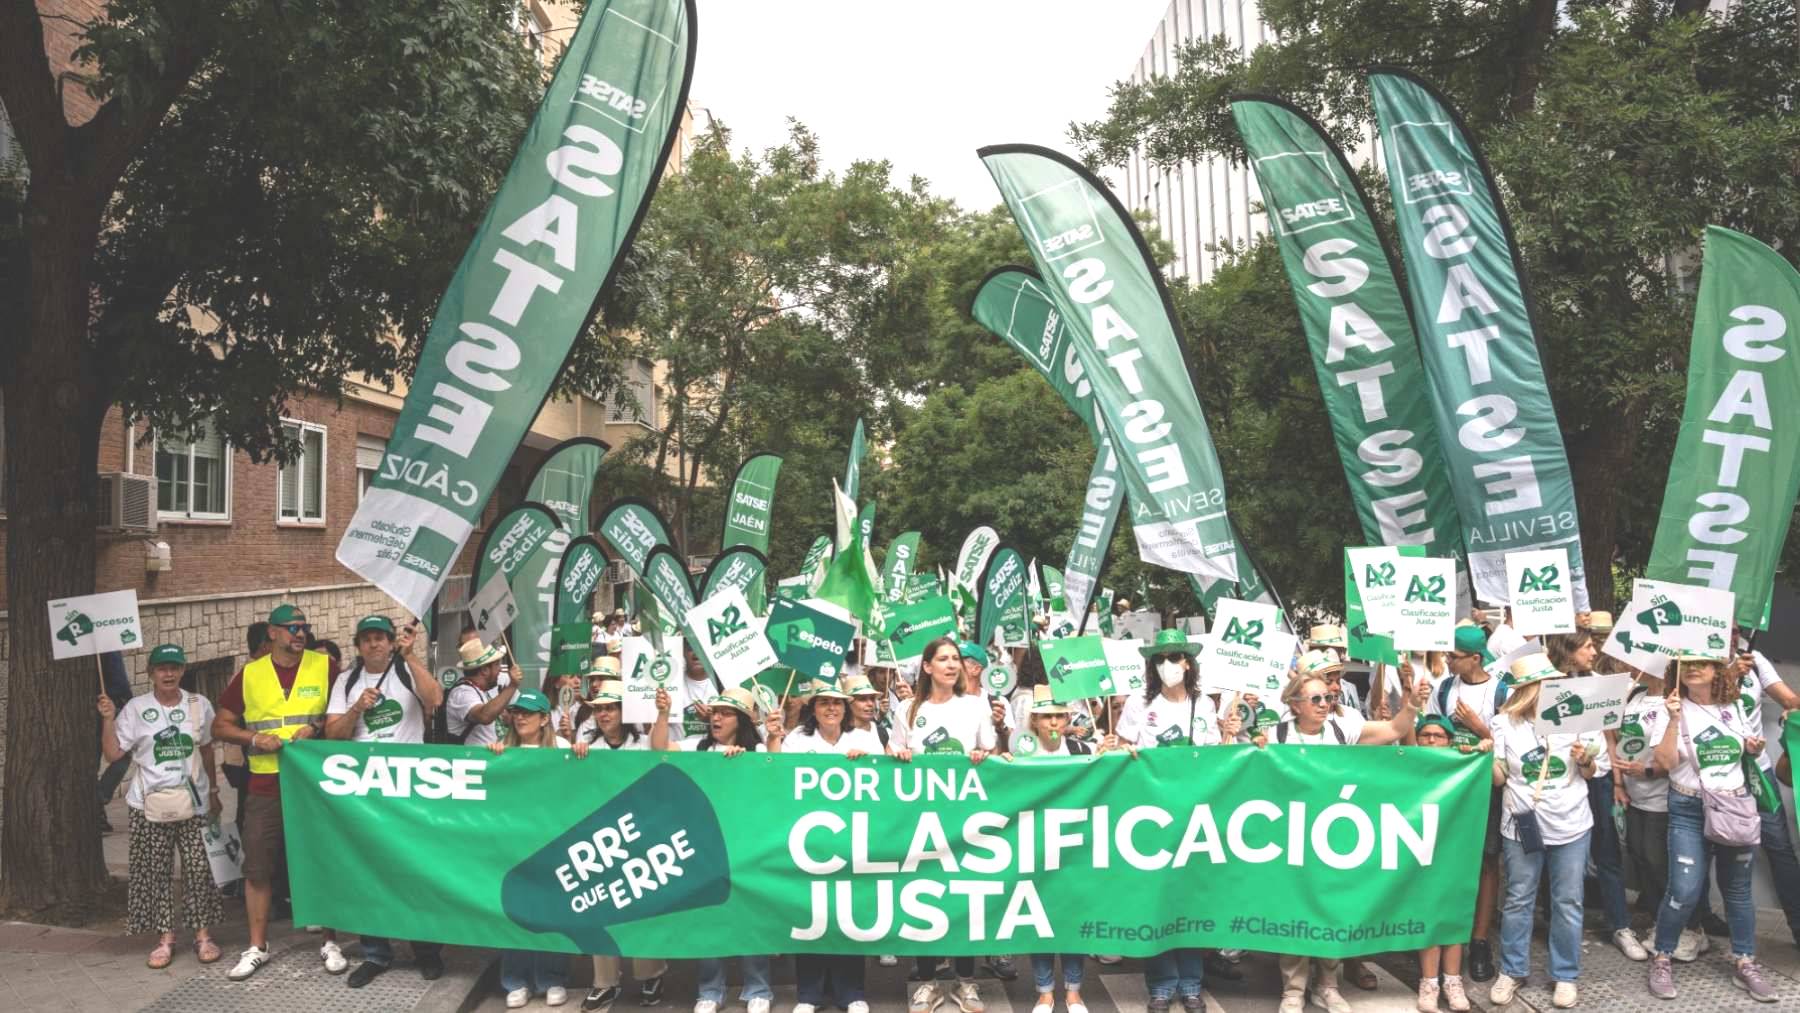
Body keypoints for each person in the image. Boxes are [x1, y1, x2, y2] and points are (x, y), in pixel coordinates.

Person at [1260, 667, 1425, 1013]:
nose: (1325, 704)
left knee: (1332, 908)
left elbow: (1396, 729)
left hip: (1333, 837)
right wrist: (1246, 745)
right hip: (1291, 837)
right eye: (1317, 699)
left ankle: (1328, 985)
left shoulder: (1342, 727)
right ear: (1295, 704)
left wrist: (1412, 704)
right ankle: (1293, 988)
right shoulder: (1274, 735)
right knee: (1295, 910)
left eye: (1329, 698)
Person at [211, 604, 341, 981]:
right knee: (258, 867)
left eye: (304, 627)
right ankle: (257, 947)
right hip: (265, 784)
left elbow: (342, 713)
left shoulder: (324, 666)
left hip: (314, 784)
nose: (299, 634)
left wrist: (316, 726)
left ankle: (329, 941)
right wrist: (253, 737)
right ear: (272, 632)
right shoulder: (250, 674)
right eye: (291, 628)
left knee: (320, 862)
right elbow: (220, 725)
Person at [1117, 629, 1240, 1011]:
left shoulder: (1204, 704)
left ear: (1188, 663)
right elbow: (1122, 746)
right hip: (1153, 814)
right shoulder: (1139, 703)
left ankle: (1191, 983)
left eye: (1175, 657)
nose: (1168, 665)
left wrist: (1229, 737)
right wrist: (1123, 751)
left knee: (1192, 900)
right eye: (1161, 658)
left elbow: (1215, 761)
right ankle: (1160, 983)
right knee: (1158, 899)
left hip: (1196, 814)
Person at [1645, 655, 1777, 1002]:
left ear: (1718, 670)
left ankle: (1745, 962)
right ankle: (1662, 956)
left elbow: (1746, 749)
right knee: (1684, 890)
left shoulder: (1733, 706)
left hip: (1734, 807)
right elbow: (1665, 763)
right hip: (1688, 807)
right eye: (1686, 663)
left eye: (1703, 663)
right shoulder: (1669, 708)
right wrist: (1673, 720)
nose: (1693, 668)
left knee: (1738, 892)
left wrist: (1753, 747)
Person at [325, 615, 447, 987]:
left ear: (392, 642)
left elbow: (436, 699)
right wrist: (356, 708)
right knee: (370, 873)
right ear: (358, 645)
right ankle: (376, 953)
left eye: (381, 638)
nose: (375, 644)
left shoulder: (406, 671)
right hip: (368, 794)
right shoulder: (347, 681)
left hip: (411, 789)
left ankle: (426, 950)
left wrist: (410, 658)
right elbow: (332, 735)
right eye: (368, 639)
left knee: (416, 870)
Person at [652, 685, 779, 1013]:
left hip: (749, 847)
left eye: (725, 713)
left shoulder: (758, 749)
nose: (716, 718)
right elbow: (659, 748)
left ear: (742, 721)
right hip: (704, 848)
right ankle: (710, 990)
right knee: (710, 918)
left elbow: (778, 777)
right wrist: (663, 714)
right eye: (715, 712)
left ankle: (758, 989)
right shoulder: (698, 746)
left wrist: (756, 754)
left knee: (750, 916)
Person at [97, 643, 224, 969]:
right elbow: (114, 755)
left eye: (175, 667)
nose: (169, 673)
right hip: (148, 805)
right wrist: (108, 719)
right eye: (162, 668)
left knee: (198, 871)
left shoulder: (200, 705)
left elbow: (207, 750)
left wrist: (213, 792)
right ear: (151, 673)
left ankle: (203, 936)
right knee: (157, 873)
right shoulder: (136, 709)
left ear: (183, 670)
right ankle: (165, 939)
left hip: (193, 802)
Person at [892, 636, 996, 1013]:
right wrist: (898, 754)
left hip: (965, 819)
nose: (952, 665)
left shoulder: (975, 706)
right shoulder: (907, 708)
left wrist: (984, 756)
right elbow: (894, 754)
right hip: (921, 819)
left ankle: (966, 982)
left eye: (956, 659)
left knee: (965, 898)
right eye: (943, 659)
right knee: (924, 897)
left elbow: (993, 752)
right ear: (927, 667)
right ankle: (928, 981)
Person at [1488, 652, 1593, 1010]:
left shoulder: (1575, 716)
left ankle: (1564, 975)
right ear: (1531, 690)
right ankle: (1512, 970)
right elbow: (1500, 779)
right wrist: (1488, 759)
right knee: (1519, 898)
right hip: (1522, 824)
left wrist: (1586, 760)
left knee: (1568, 901)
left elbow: (1593, 773)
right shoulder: (1503, 723)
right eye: (1548, 684)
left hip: (1572, 823)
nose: (1555, 688)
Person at [1011, 684, 1115, 1013]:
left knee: (1073, 919)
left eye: (1059, 716)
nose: (1054, 723)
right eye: (1046, 717)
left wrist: (1109, 755)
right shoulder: (1023, 751)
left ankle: (1073, 991)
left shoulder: (1080, 747)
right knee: (1039, 920)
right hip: (1036, 846)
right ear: (1035, 722)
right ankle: (1044, 991)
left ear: (1068, 718)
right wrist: (1003, 762)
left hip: (1074, 847)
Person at [566, 679, 666, 1011]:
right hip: (600, 840)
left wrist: (662, 715)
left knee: (641, 910)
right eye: (599, 709)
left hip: (638, 836)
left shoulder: (643, 742)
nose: (604, 714)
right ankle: (605, 983)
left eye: (610, 707)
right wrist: (572, 751)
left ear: (624, 711)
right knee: (600, 909)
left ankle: (651, 974)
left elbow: (662, 754)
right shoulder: (588, 746)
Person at [1544, 630, 1642, 962]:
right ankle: (1553, 923)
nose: (1594, 650)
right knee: (1553, 852)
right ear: (1568, 652)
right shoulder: (1546, 684)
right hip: (1559, 779)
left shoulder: (1601, 683)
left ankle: (1620, 925)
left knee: (1607, 852)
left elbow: (1610, 735)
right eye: (1587, 646)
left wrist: (1616, 782)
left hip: (1596, 778)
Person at [488, 688, 588, 1007]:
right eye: (516, 712)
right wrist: (490, 758)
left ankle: (552, 978)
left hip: (551, 843)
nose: (519, 717)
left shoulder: (562, 748)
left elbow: (581, 786)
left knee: (551, 911)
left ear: (545, 719)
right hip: (514, 844)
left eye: (527, 713)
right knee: (514, 910)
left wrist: (582, 753)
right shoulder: (502, 749)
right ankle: (515, 980)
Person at [783, 680, 878, 1013]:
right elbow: (780, 782)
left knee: (850, 919)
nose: (831, 709)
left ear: (845, 707)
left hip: (853, 842)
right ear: (813, 708)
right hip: (808, 843)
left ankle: (851, 993)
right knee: (812, 918)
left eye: (837, 703)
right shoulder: (795, 740)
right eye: (824, 703)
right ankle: (808, 995)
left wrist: (867, 762)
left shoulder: (865, 738)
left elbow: (885, 782)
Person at [1425, 623, 1507, 981]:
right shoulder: (1443, 688)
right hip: (1448, 790)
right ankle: (1443, 933)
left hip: (1486, 790)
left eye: (1454, 656)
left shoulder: (1503, 692)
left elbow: (1512, 747)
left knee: (1487, 863)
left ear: (1475, 658)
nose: (1447, 660)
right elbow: (1428, 729)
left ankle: (1478, 940)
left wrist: (1479, 728)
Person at [1413, 714, 1474, 1012]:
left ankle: (1452, 980)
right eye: (1425, 735)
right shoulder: (1405, 766)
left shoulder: (1463, 766)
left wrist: (1483, 748)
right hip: (1418, 853)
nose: (1432, 741)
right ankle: (1428, 983)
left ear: (1450, 740)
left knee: (1453, 913)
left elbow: (1498, 777)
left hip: (1454, 851)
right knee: (1428, 914)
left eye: (1438, 735)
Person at [1614, 664, 1671, 934]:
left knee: (1655, 859)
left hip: (1661, 795)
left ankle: (1672, 924)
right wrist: (1619, 782)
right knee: (1638, 854)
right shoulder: (1634, 694)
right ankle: (1653, 915)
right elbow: (1615, 736)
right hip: (1633, 792)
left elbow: (1674, 754)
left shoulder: (1671, 700)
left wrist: (1647, 770)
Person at [445, 637, 518, 746]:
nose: (500, 669)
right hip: (472, 760)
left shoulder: (482, 690)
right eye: (497, 664)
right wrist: (513, 686)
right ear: (484, 670)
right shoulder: (461, 694)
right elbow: (485, 716)